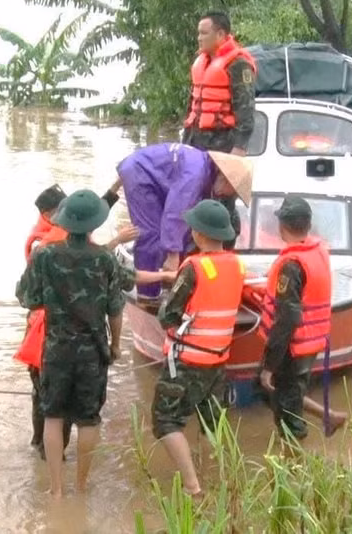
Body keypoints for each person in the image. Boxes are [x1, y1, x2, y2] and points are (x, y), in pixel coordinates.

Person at [17, 183, 140, 461]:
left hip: (54, 338)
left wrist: (116, 186)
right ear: (51, 213)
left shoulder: (48, 249)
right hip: (58, 336)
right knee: (55, 404)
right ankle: (45, 450)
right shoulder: (43, 244)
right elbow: (111, 296)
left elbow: (27, 296)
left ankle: (52, 477)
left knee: (54, 408)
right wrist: (115, 345)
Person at [151, 199, 246, 496]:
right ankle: (215, 479)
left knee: (165, 421)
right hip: (218, 361)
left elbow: (167, 315)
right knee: (210, 422)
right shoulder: (237, 264)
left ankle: (193, 488)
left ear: (200, 234)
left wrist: (167, 302)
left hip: (187, 361)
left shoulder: (193, 267)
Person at [257, 195, 348, 440]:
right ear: (308, 225)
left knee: (287, 411)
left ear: (282, 226)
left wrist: (269, 365)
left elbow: (286, 319)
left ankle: (294, 463)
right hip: (310, 342)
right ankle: (328, 415)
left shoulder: (292, 264)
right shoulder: (317, 250)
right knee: (284, 391)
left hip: (292, 348)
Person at [112, 143, 253, 301]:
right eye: (233, 192)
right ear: (227, 181)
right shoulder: (195, 174)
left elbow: (187, 220)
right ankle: (147, 294)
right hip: (140, 173)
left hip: (155, 177)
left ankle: (171, 283)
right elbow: (175, 213)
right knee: (151, 234)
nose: (228, 196)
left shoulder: (205, 172)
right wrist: (173, 254)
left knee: (184, 231)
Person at [182, 11, 257, 157]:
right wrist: (185, 142)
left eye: (204, 33)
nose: (199, 38)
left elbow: (246, 110)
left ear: (220, 35)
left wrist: (239, 147)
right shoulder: (200, 62)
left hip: (222, 145)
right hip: (195, 142)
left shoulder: (238, 64)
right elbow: (193, 105)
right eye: (198, 33)